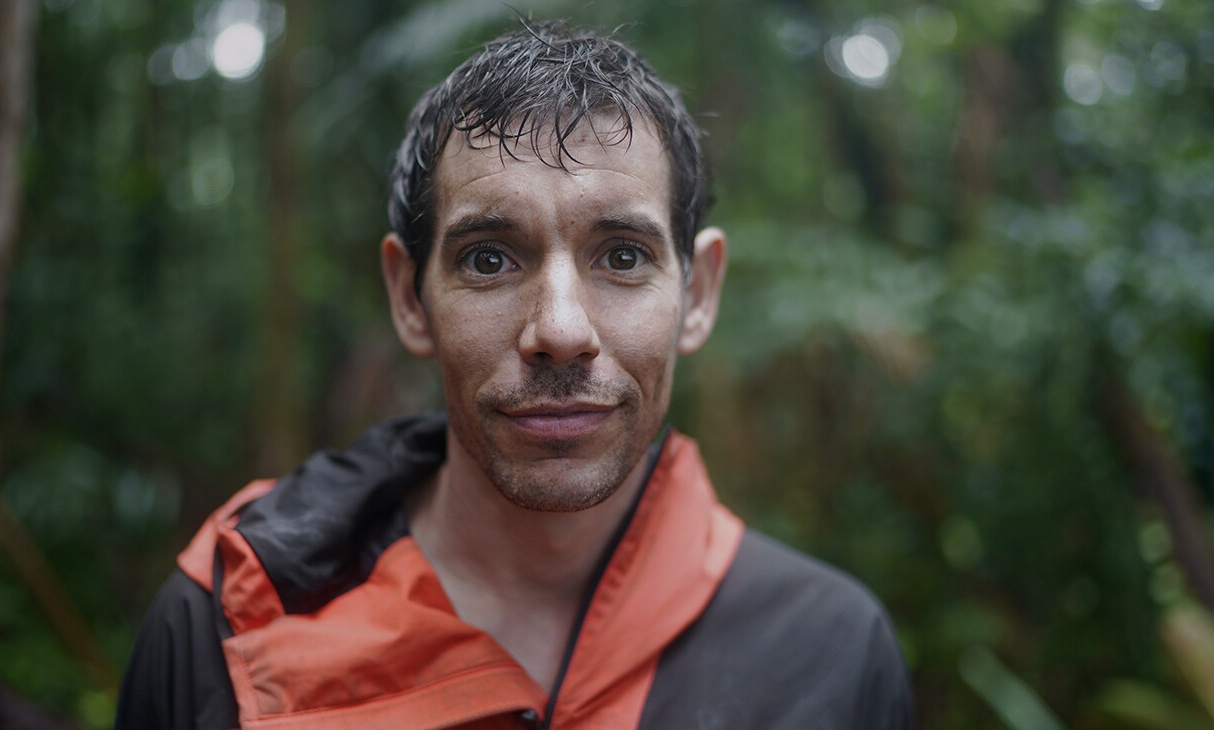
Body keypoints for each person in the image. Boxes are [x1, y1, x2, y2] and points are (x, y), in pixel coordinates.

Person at [115, 20, 915, 730]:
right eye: (489, 259)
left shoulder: (830, 652)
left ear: (698, 293)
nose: (560, 332)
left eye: (624, 256)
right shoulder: (231, 614)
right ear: (409, 297)